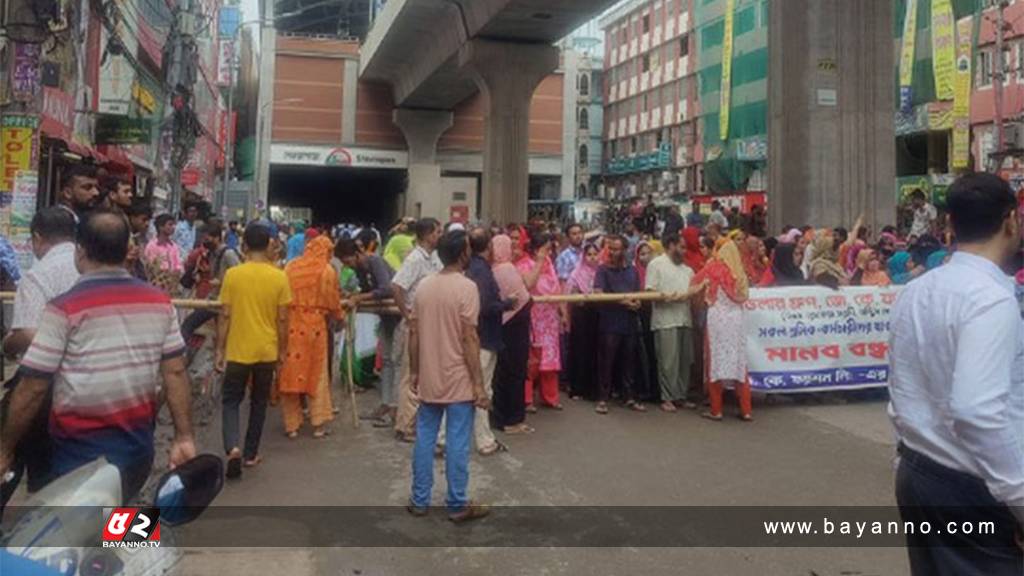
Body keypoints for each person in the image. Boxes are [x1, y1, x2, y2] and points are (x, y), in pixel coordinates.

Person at [0, 210, 195, 501]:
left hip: (77, 456)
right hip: (137, 449)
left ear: (80, 252)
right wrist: (184, 436)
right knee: (117, 521)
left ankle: (143, 542)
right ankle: (148, 542)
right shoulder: (159, 302)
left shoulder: (64, 308)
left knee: (72, 535)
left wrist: (5, 448)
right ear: (126, 251)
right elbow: (176, 372)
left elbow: (34, 386)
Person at [888, 172, 1023, 575]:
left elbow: (901, 385)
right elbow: (976, 411)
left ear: (949, 225)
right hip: (972, 485)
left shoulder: (917, 291)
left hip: (920, 471)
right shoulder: (990, 300)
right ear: (1011, 221)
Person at [406, 230, 490, 523]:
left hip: (430, 375)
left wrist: (415, 371)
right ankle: (456, 502)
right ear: (463, 253)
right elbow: (470, 338)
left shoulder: (424, 287)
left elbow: (413, 333)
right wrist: (479, 384)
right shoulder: (467, 288)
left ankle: (419, 499)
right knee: (457, 441)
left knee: (425, 438)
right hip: (458, 377)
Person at [215, 224, 293, 480]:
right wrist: (282, 351)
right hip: (266, 350)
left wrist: (219, 350)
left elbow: (224, 316)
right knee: (259, 402)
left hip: (238, 350)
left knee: (230, 401)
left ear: (244, 246)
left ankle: (232, 447)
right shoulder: (279, 277)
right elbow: (283, 320)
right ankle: (250, 454)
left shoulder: (233, 275)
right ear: (269, 244)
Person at [279, 236, 344, 439]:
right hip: (315, 327)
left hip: (292, 325)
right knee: (318, 375)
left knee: (291, 374)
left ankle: (292, 426)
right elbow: (332, 301)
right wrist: (340, 316)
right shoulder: (327, 271)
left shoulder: (290, 267)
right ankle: (318, 425)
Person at [459, 228, 511, 455]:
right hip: (483, 337)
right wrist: (507, 303)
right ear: (489, 246)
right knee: (481, 390)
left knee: (468, 389)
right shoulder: (481, 271)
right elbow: (486, 306)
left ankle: (446, 438)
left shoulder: (471, 269)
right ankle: (484, 440)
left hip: (476, 336)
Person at [338, 231, 398, 428]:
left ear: (357, 253)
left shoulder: (375, 262)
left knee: (395, 362)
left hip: (399, 316)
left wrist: (359, 298)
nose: (348, 265)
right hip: (385, 317)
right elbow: (364, 291)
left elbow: (386, 289)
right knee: (387, 361)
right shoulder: (359, 270)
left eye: (348, 260)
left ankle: (395, 408)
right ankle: (386, 404)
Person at [391, 218, 443, 441]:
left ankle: (414, 421)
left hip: (429, 323)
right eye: (438, 232)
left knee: (420, 372)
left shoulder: (434, 258)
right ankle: (405, 425)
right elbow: (397, 286)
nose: (440, 235)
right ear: (428, 235)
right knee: (409, 373)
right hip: (415, 324)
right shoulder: (414, 259)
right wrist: (407, 314)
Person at [3, 208, 79, 359]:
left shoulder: (37, 276)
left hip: (55, 370)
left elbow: (28, 334)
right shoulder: (90, 265)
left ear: (37, 238)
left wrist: (7, 345)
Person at [692, 239, 752, 422]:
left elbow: (694, 283)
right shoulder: (740, 273)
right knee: (740, 362)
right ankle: (746, 410)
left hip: (717, 319)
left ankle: (716, 410)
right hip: (737, 320)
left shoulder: (714, 267)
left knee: (715, 362)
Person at [645, 232, 703, 412]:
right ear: (670, 245)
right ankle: (667, 397)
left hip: (685, 319)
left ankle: (680, 395)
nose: (684, 252)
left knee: (685, 360)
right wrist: (668, 298)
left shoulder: (688, 270)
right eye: (681, 247)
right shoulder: (656, 265)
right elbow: (649, 292)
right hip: (665, 320)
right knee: (668, 361)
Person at [593, 235, 644, 414]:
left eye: (616, 249)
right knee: (607, 362)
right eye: (611, 249)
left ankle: (629, 397)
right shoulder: (602, 270)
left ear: (625, 250)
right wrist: (624, 302)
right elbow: (598, 292)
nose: (613, 253)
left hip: (629, 322)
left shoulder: (632, 270)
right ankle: (602, 398)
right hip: (610, 322)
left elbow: (639, 292)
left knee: (629, 361)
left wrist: (637, 302)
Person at [516, 231, 566, 412]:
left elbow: (556, 288)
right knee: (532, 359)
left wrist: (562, 310)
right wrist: (538, 262)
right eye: (546, 249)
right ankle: (527, 398)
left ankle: (550, 397)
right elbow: (529, 285)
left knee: (551, 359)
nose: (549, 252)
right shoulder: (524, 265)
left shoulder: (550, 264)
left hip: (550, 318)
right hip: (533, 317)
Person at [491, 233, 534, 435]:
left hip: (503, 329)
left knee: (502, 374)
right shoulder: (507, 269)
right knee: (515, 374)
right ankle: (512, 420)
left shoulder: (493, 269)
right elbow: (523, 299)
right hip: (516, 331)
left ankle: (502, 417)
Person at [181, 221, 241, 342]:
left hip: (222, 300)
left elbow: (239, 276)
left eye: (207, 238)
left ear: (217, 238)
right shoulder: (212, 254)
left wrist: (222, 282)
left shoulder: (228, 254)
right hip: (213, 298)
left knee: (189, 325)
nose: (205, 241)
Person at [565, 243, 600, 401]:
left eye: (595, 254)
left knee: (594, 350)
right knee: (580, 350)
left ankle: (592, 388)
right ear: (584, 256)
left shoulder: (601, 272)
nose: (592, 257)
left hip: (596, 315)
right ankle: (577, 387)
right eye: (589, 254)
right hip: (581, 315)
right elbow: (570, 293)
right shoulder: (576, 273)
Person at [125, 200, 153, 280]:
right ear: (132, 218)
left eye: (148, 220)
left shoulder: (141, 237)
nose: (147, 224)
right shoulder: (124, 237)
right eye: (144, 220)